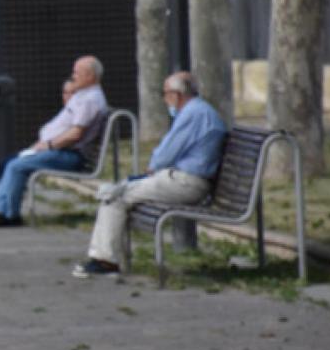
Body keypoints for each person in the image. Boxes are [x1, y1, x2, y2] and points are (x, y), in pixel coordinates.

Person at [72, 71, 226, 279]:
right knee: (119, 190)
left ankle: (105, 260)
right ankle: (107, 257)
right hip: (183, 179)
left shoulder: (193, 113)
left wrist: (152, 167)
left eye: (165, 94)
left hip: (186, 183)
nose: (164, 99)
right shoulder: (199, 110)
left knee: (115, 195)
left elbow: (166, 153)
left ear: (176, 94)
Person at [0, 56, 108, 227]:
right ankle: (3, 210)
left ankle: (5, 213)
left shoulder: (90, 100)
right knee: (13, 162)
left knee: (16, 165)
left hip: (71, 155)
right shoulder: (84, 95)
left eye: (77, 73)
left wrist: (48, 145)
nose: (73, 76)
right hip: (61, 150)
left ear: (90, 76)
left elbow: (75, 134)